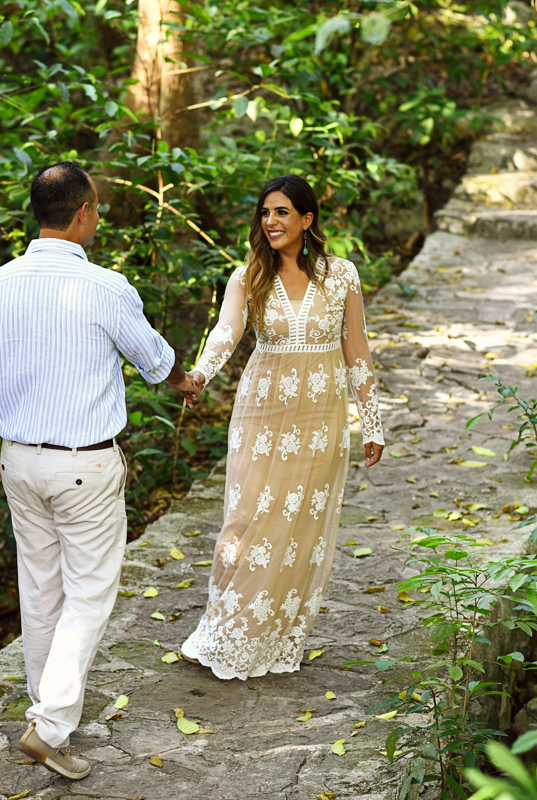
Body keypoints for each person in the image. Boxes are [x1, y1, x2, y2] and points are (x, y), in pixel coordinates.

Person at [0, 161, 196, 780]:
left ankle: (47, 719)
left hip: (20, 461)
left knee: (40, 589)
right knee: (89, 594)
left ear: (39, 213)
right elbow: (151, 358)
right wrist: (185, 381)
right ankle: (52, 723)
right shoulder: (105, 287)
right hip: (84, 465)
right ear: (84, 212)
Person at [178, 174, 385, 680]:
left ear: (307, 220)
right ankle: (225, 630)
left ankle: (272, 637)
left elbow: (356, 350)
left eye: (282, 213)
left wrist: (372, 422)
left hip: (321, 417)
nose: (270, 222)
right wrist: (201, 374)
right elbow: (226, 332)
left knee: (299, 528)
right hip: (262, 411)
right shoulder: (247, 275)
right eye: (265, 213)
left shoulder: (342, 275)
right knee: (246, 520)